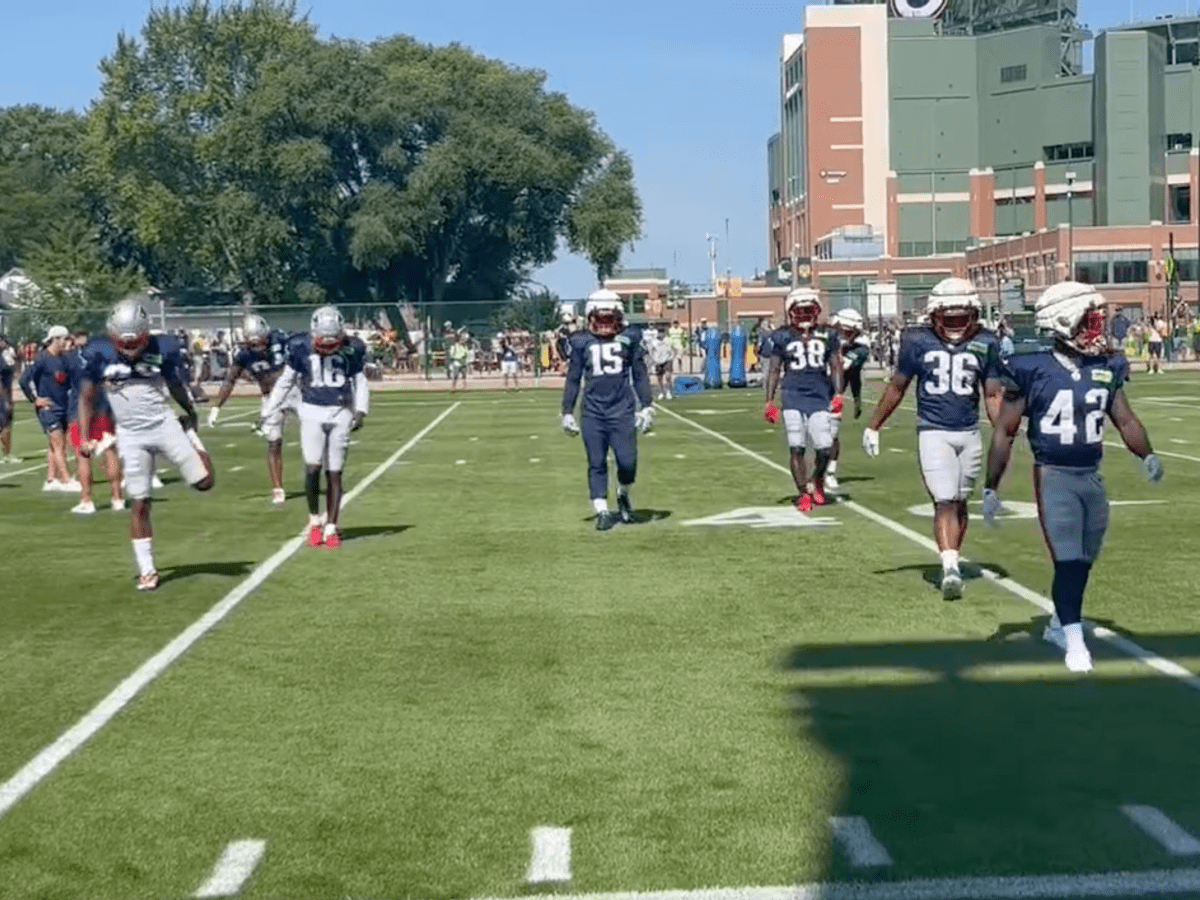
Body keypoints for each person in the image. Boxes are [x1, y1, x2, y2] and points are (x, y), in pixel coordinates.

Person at [984, 282, 1163, 672]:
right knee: (1068, 559)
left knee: (1084, 561)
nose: (1096, 329)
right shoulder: (1030, 368)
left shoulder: (1107, 366)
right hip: (1054, 475)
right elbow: (1004, 430)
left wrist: (1146, 453)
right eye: (1089, 320)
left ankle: (1057, 623)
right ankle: (1074, 638)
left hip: (1091, 477)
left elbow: (1125, 418)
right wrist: (991, 485)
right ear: (1063, 322)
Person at [862, 277, 1003, 601]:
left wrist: (1004, 432)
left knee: (961, 500)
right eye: (948, 318)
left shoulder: (987, 341)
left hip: (969, 432)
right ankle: (950, 566)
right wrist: (874, 425)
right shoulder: (917, 341)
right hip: (933, 430)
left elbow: (992, 394)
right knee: (944, 499)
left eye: (960, 317)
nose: (954, 325)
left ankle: (952, 553)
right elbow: (897, 386)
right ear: (934, 315)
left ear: (974, 314)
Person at [78, 296, 215, 590]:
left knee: (205, 483)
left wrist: (190, 412)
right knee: (140, 501)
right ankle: (147, 569)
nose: (128, 348)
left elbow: (176, 384)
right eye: (122, 342)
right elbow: (85, 397)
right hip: (130, 433)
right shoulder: (98, 352)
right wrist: (87, 435)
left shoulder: (163, 347)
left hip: (164, 424)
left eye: (134, 341)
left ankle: (192, 439)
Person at [262, 306, 368, 548]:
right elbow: (285, 382)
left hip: (341, 411)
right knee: (312, 468)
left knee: (335, 471)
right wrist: (269, 410)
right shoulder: (300, 346)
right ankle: (314, 521)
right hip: (310, 410)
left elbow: (359, 381)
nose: (328, 346)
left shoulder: (353, 347)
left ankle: (331, 526)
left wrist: (361, 410)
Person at [561, 289, 654, 531]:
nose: (604, 323)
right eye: (599, 317)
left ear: (619, 316)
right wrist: (567, 411)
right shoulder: (581, 341)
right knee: (596, 462)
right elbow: (573, 378)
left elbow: (640, 374)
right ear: (590, 316)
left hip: (622, 409)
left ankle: (623, 493)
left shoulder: (630, 337)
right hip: (593, 411)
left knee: (627, 462)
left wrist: (647, 406)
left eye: (608, 317)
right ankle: (601, 509)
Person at [763, 288, 843, 512]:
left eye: (809, 310)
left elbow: (835, 365)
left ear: (817, 310)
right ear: (791, 312)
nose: (805, 314)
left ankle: (817, 480)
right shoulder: (782, 335)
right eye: (800, 310)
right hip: (792, 394)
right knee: (796, 446)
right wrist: (769, 400)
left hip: (819, 395)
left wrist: (838, 393)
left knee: (825, 447)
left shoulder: (829, 334)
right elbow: (774, 369)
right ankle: (802, 492)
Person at [208, 314, 297, 504]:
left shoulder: (281, 339)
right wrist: (217, 406)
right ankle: (277, 488)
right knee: (274, 442)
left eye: (261, 342)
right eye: (254, 343)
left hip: (294, 393)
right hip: (269, 398)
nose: (258, 347)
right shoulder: (243, 354)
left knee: (315, 429)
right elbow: (230, 379)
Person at [66, 328, 123, 514]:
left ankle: (87, 500)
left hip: (79, 409)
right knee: (110, 452)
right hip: (104, 408)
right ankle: (117, 498)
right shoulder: (105, 358)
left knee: (83, 455)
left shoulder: (73, 358)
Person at [20, 325, 77, 492]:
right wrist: (35, 399)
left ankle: (51, 480)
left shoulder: (64, 359)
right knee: (59, 445)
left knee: (54, 446)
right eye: (65, 339)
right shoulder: (42, 359)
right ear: (55, 339)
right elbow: (24, 379)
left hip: (63, 406)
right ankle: (66, 480)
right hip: (49, 408)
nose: (67, 342)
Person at [826, 308, 870, 492]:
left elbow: (850, 372)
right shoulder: (823, 337)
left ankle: (829, 473)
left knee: (832, 435)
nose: (846, 334)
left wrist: (858, 399)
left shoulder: (860, 348)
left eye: (850, 331)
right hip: (812, 391)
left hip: (834, 394)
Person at [0, 334, 17, 464]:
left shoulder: (4, 357)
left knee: (7, 424)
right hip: (2, 396)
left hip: (6, 393)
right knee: (5, 424)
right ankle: (7, 455)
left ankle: (7, 453)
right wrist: (5, 398)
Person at [649, 327, 675, 399]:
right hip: (658, 361)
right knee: (659, 378)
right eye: (659, 331)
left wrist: (672, 356)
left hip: (667, 360)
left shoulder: (668, 340)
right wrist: (653, 359)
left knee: (668, 376)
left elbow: (673, 349)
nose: (661, 333)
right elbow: (651, 350)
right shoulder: (654, 341)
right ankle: (661, 392)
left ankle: (668, 391)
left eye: (662, 331)